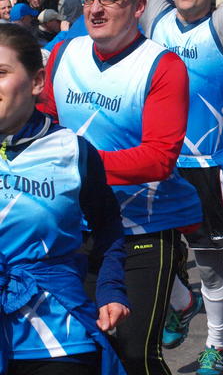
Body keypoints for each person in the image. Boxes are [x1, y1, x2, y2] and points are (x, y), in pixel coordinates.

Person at [62, 0, 223, 372]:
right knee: (149, 257)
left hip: (201, 167)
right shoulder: (157, 16)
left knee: (208, 266)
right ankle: (180, 302)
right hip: (151, 167)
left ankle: (216, 345)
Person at [37, 0, 202, 375]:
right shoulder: (65, 53)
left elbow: (159, 157)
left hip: (143, 228)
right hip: (74, 227)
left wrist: (74, 166)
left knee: (133, 356)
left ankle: (177, 295)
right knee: (77, 353)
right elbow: (46, 124)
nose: (96, 9)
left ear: (138, 7)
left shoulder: (162, 66)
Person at [0, 23, 128, 375]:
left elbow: (108, 225)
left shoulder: (73, 151)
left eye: (1, 73)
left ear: (37, 81)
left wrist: (110, 289)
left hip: (56, 332)